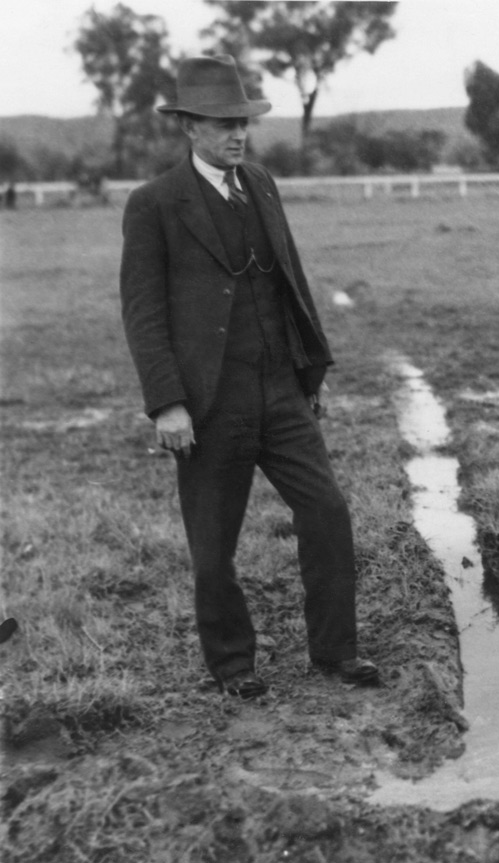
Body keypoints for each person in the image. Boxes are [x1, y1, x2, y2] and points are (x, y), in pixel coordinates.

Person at [119, 54, 380, 699]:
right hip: (209, 403)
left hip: (281, 391)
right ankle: (234, 665)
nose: (237, 133)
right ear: (188, 126)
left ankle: (336, 651)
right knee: (214, 548)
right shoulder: (154, 204)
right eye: (221, 122)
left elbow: (289, 280)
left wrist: (310, 371)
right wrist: (166, 405)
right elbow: (144, 313)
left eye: (242, 120)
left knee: (327, 513)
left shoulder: (261, 183)